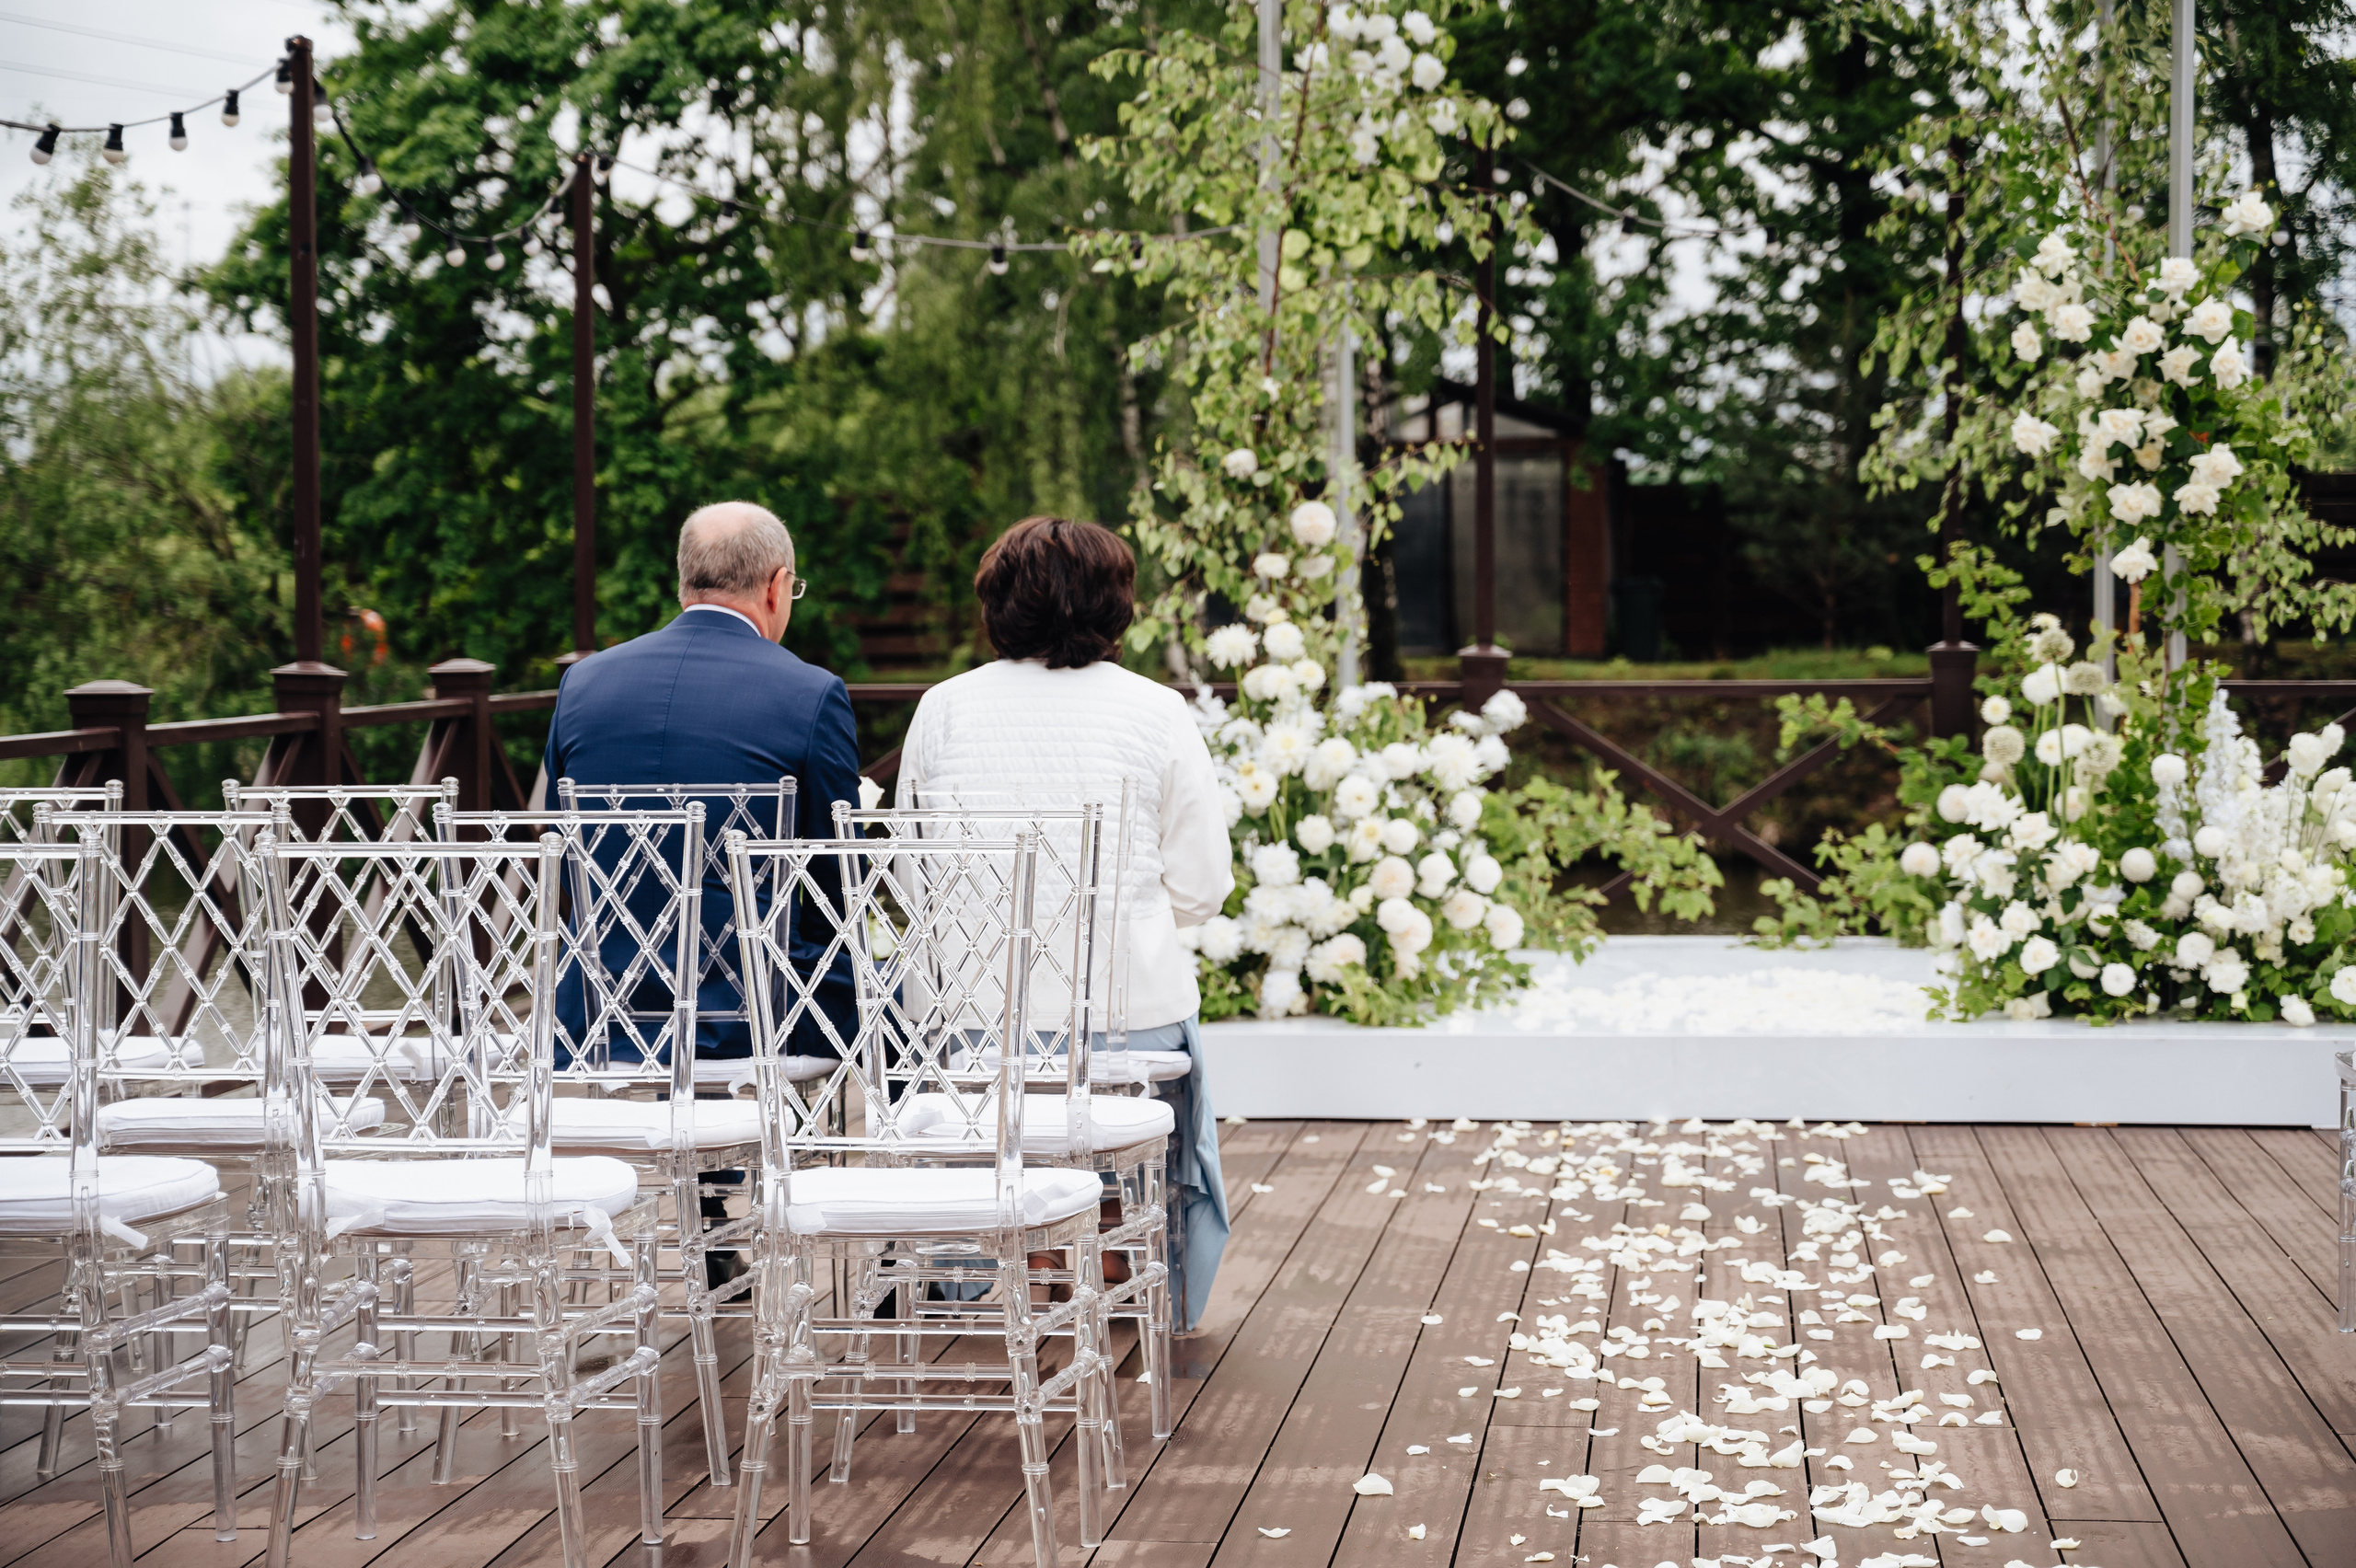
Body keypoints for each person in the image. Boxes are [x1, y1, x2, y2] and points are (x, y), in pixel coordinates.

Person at [894, 514, 1234, 1331]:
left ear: (998, 604)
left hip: (979, 1032)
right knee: (1135, 1075)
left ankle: (1025, 1258)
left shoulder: (943, 709)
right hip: (1130, 1026)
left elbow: (911, 877)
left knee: (995, 1064)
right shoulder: (1157, 711)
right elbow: (1203, 884)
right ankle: (1118, 1258)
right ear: (1117, 605)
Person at [542, 500, 861, 1280]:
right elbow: (831, 882)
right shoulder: (811, 693)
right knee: (895, 989)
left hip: (599, 1016)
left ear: (683, 581)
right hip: (754, 1019)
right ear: (778, 588)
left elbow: (563, 860)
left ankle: (707, 1200)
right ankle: (889, 1242)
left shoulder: (583, 685)